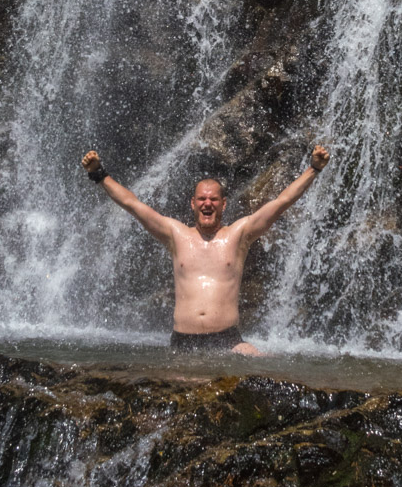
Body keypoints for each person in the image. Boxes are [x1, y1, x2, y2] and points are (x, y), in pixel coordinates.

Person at [81, 145, 330, 355]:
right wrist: (99, 174)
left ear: (223, 204)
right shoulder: (175, 235)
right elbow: (132, 204)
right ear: (193, 204)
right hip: (182, 343)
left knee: (264, 369)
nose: (207, 203)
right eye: (201, 199)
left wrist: (313, 169)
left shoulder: (239, 235)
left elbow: (281, 202)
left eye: (213, 199)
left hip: (228, 342)